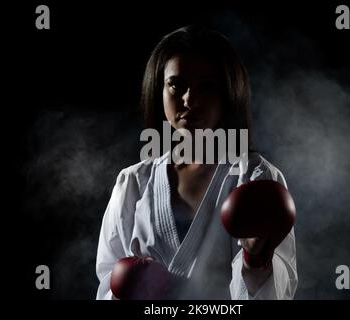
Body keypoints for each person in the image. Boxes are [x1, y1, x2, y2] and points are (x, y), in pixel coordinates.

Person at [95, 25, 297, 300]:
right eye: (176, 84)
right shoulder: (133, 183)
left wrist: (256, 259)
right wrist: (126, 290)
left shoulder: (255, 179)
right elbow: (107, 283)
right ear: (159, 89)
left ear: (228, 93)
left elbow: (280, 293)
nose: (190, 99)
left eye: (207, 86)